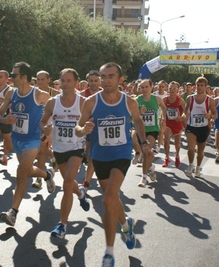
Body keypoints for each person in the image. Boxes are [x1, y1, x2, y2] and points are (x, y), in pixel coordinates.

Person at [75, 62, 153, 267]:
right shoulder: (91, 102)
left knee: (108, 199)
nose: (106, 80)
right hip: (99, 155)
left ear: (120, 79)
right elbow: (78, 128)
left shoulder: (129, 102)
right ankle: (126, 226)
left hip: (121, 154)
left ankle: (109, 253)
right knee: (112, 198)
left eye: (110, 76)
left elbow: (137, 121)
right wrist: (84, 130)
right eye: (103, 76)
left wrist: (144, 143)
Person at [0, 62, 55, 226]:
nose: (11, 77)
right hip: (17, 139)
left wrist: (49, 128)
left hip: (33, 139)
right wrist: (4, 120)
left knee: (21, 172)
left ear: (23, 77)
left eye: (13, 75)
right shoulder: (11, 93)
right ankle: (47, 175)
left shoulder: (39, 95)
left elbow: (55, 110)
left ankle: (13, 212)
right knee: (27, 170)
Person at [40, 68, 90, 239]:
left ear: (76, 83)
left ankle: (62, 225)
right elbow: (42, 123)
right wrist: (45, 129)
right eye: (63, 80)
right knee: (70, 184)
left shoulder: (83, 102)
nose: (65, 84)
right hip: (59, 148)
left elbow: (91, 122)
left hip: (76, 147)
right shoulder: (52, 103)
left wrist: (86, 130)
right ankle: (81, 193)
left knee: (67, 182)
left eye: (69, 81)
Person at [135, 79, 167, 187]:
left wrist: (163, 119)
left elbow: (164, 107)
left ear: (151, 87)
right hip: (141, 130)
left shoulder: (157, 99)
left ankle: (143, 178)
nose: (144, 89)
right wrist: (139, 112)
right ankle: (151, 168)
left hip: (153, 130)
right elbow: (131, 117)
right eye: (142, 87)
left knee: (146, 150)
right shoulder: (136, 100)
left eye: (146, 87)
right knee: (145, 154)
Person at [184, 76, 217, 178]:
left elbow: (215, 114)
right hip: (192, 126)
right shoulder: (190, 98)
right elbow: (185, 111)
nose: (199, 87)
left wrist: (210, 116)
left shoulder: (210, 100)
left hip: (203, 127)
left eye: (201, 85)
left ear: (205, 87)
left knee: (200, 150)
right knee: (191, 148)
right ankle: (190, 165)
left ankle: (198, 168)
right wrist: (185, 115)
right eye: (198, 85)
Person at [32, 70, 60, 189]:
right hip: (36, 126)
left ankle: (39, 178)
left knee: (42, 151)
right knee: (41, 150)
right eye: (38, 79)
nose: (40, 82)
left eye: (43, 79)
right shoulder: (33, 92)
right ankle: (54, 158)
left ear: (49, 80)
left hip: (50, 127)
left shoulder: (55, 94)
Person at [79, 69, 103, 191]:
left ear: (100, 81)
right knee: (90, 157)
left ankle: (94, 180)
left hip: (104, 128)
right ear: (87, 81)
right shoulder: (82, 95)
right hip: (89, 129)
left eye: (96, 80)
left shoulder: (104, 93)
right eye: (91, 80)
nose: (94, 83)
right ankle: (86, 182)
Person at [162, 81, 186, 168]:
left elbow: (185, 111)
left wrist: (182, 116)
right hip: (168, 123)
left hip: (177, 123)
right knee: (166, 140)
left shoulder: (180, 100)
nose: (172, 90)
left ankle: (177, 156)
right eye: (170, 88)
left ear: (178, 90)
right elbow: (163, 110)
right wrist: (163, 119)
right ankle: (167, 158)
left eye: (174, 88)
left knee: (177, 144)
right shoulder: (165, 99)